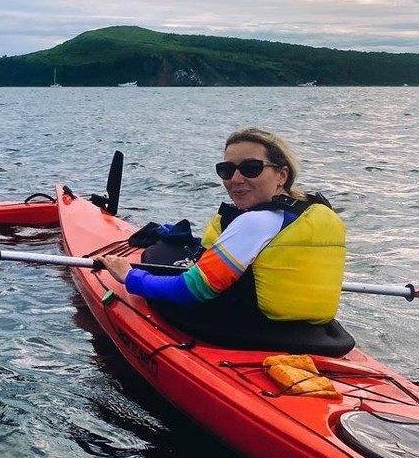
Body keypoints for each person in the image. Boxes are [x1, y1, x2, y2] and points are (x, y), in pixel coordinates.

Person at [94, 127, 347, 332]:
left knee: (159, 258)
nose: (236, 179)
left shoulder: (255, 222)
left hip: (250, 332)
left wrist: (129, 277)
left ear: (282, 174)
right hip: (313, 333)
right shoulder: (313, 211)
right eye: (226, 170)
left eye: (251, 168)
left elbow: (191, 291)